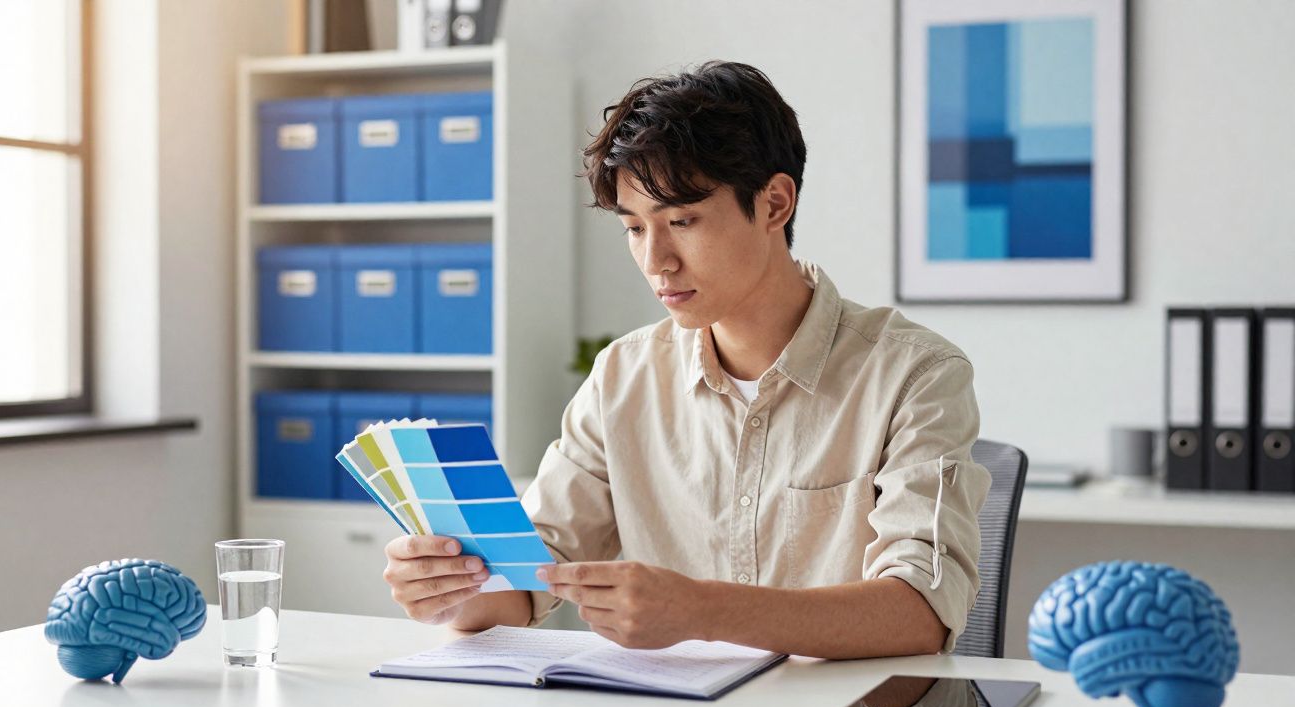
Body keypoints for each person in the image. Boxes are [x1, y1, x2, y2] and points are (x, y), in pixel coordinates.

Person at [382, 60, 990, 659]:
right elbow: (531, 581)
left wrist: (703, 610)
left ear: (775, 204)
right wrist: (452, 592)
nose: (656, 261)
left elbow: (921, 612)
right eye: (635, 229)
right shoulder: (623, 376)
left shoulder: (915, 373)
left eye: (682, 220)